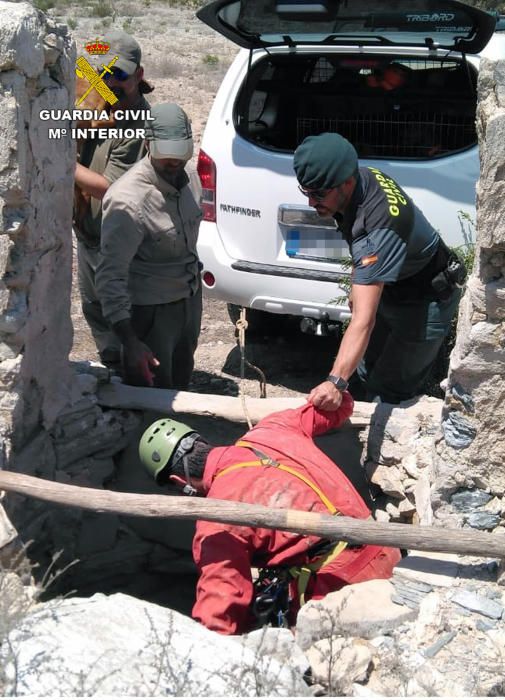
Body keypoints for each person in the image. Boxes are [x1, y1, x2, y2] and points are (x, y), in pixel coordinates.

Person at [138, 395, 400, 635]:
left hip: (342, 591)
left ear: (177, 481)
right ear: (200, 441)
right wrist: (333, 387)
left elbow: (220, 609)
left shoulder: (217, 518)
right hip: (387, 553)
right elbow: (340, 405)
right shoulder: (273, 428)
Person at [293, 132, 465, 406]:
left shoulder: (379, 226)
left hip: (427, 298)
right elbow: (356, 237)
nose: (311, 203)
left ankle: (383, 446)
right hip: (394, 288)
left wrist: (335, 382)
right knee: (365, 370)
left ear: (346, 182)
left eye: (318, 194)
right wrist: (355, 282)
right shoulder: (359, 178)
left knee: (389, 389)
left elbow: (364, 319)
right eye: (306, 191)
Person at [95, 103, 202, 389]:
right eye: (165, 155)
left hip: (189, 302)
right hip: (150, 315)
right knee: (152, 401)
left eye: (179, 154)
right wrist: (130, 341)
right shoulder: (128, 200)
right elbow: (109, 278)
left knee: (181, 386)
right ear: (147, 143)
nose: (173, 162)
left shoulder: (190, 178)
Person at [74, 30, 153, 371]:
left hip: (118, 243)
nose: (112, 82)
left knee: (121, 315)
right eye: (105, 74)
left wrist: (58, 159)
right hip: (90, 236)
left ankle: (134, 381)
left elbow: (109, 188)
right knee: (95, 309)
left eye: (120, 74)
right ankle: (113, 370)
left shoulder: (138, 122)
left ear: (139, 75)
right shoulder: (100, 103)